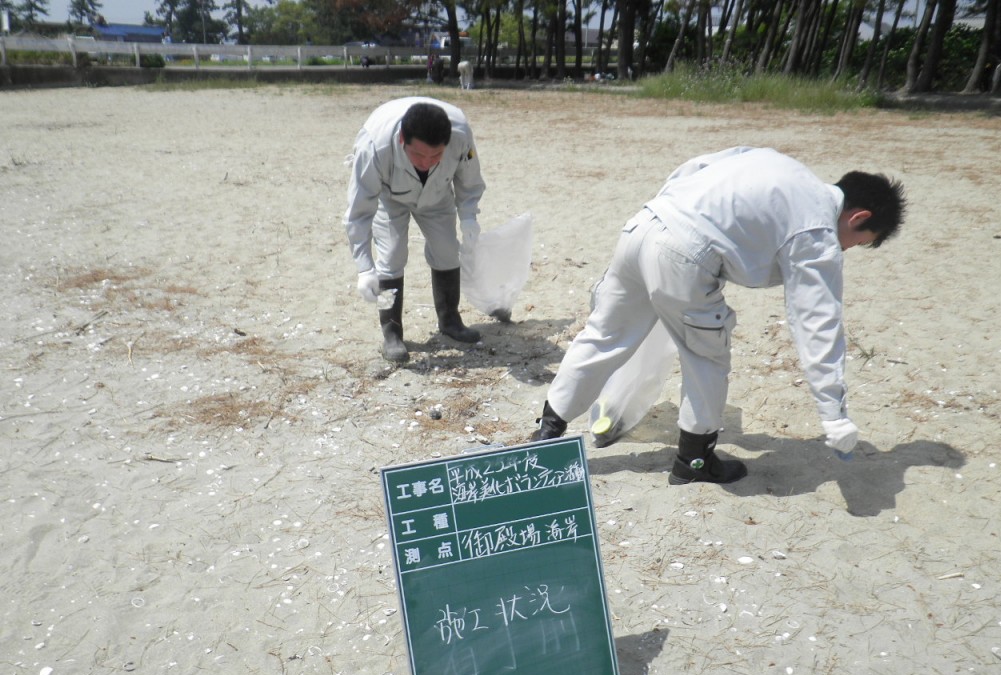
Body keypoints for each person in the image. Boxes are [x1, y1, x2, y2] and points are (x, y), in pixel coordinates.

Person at [531, 146, 906, 485]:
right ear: (859, 217)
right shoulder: (817, 229)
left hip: (644, 224)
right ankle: (693, 461)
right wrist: (834, 413)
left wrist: (666, 215)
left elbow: (694, 166)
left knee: (603, 335)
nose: (845, 249)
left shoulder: (778, 163)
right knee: (707, 355)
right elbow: (817, 320)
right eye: (857, 242)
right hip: (683, 254)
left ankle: (547, 435)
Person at [345, 97, 486, 363]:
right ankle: (391, 330)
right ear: (402, 140)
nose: (426, 162)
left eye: (436, 155)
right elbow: (358, 212)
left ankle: (450, 319)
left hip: (437, 195)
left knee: (447, 251)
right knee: (392, 257)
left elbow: (470, 181)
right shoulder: (374, 145)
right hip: (390, 195)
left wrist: (469, 218)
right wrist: (364, 268)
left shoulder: (460, 135)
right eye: (419, 154)